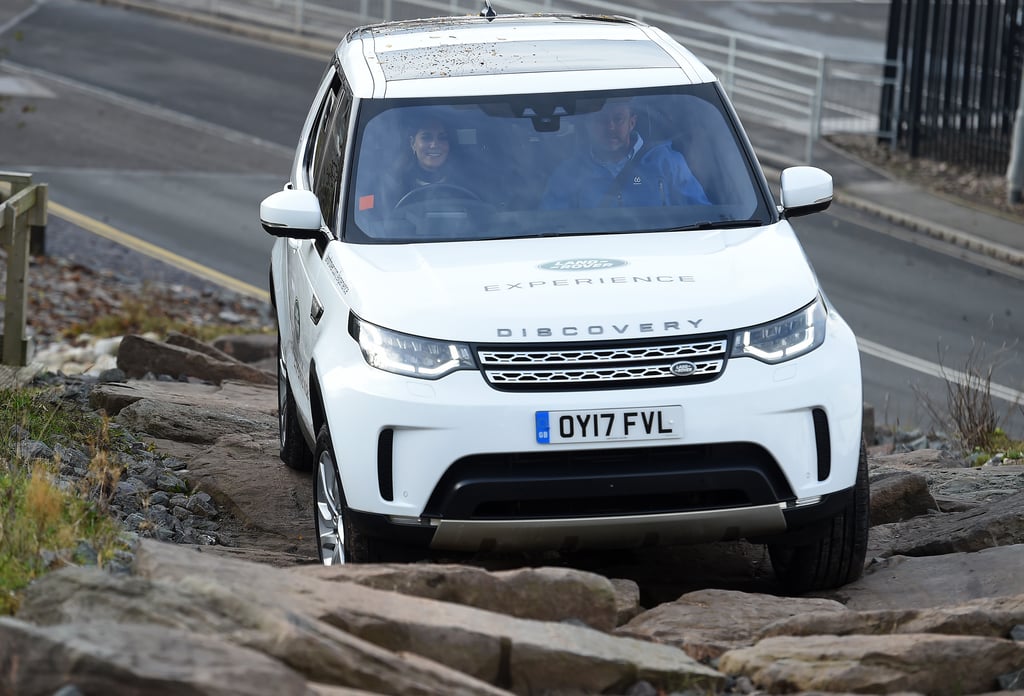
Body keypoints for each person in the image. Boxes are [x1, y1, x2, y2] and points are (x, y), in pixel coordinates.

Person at [542, 100, 710, 209]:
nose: (610, 127)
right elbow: (550, 224)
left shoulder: (668, 163)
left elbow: (703, 213)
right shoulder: (569, 174)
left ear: (632, 122)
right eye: (601, 120)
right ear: (587, 125)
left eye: (618, 119)